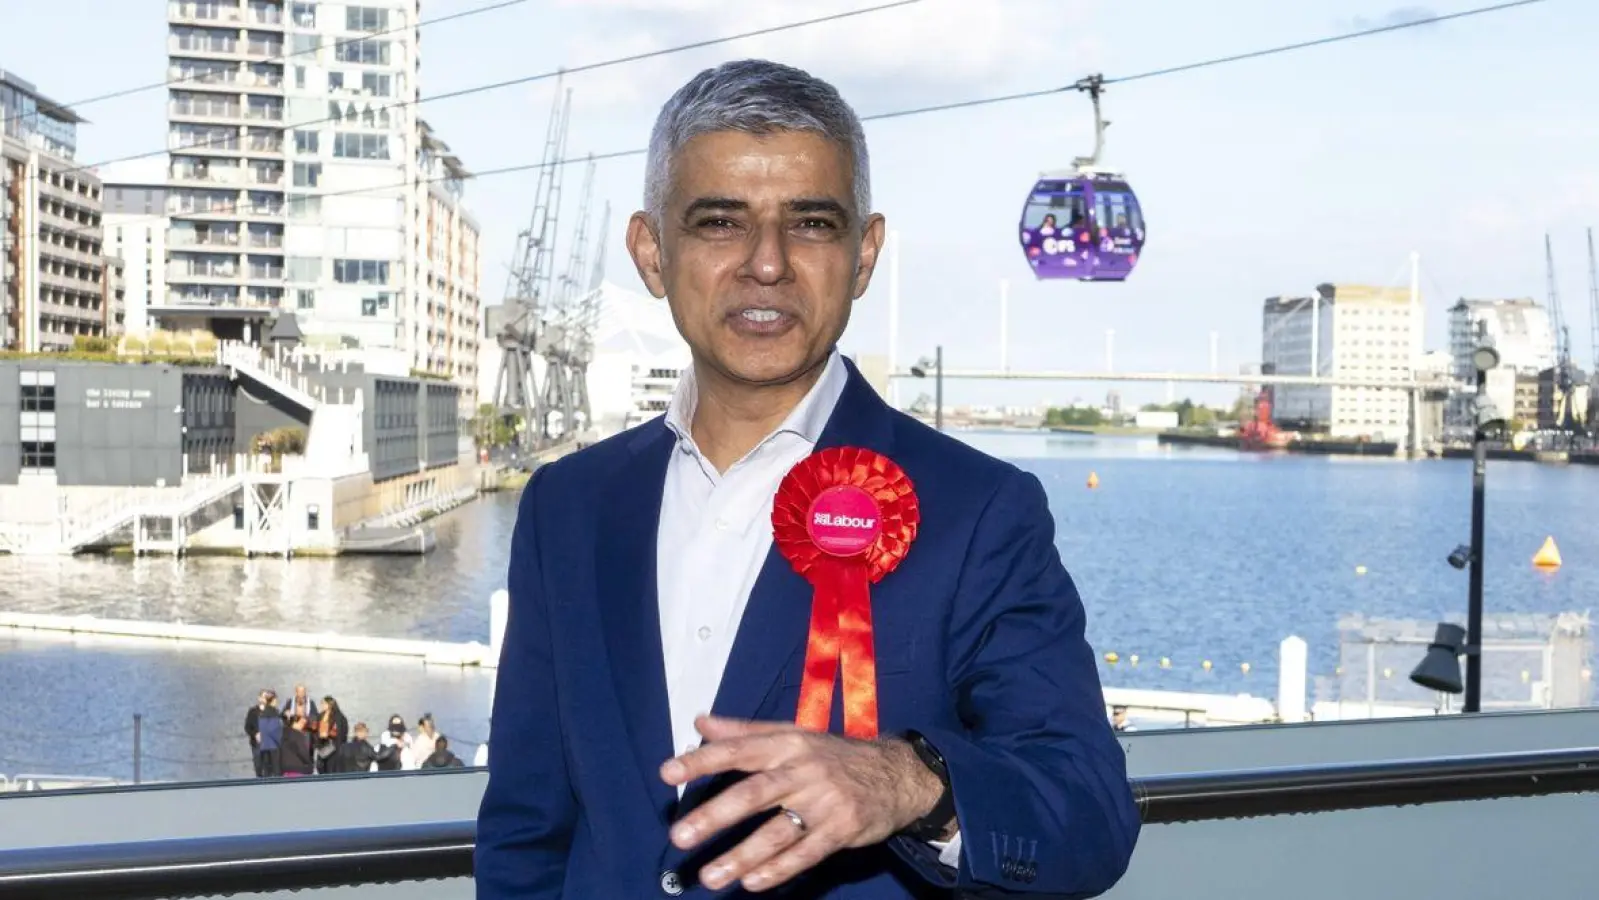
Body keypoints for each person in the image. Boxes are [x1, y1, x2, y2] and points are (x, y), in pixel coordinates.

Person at [476, 59, 1139, 899]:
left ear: (863, 256)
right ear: (651, 252)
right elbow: (526, 833)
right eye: (719, 221)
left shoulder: (978, 512)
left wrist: (906, 781)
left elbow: (1088, 812)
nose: (766, 263)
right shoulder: (565, 507)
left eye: (812, 223)